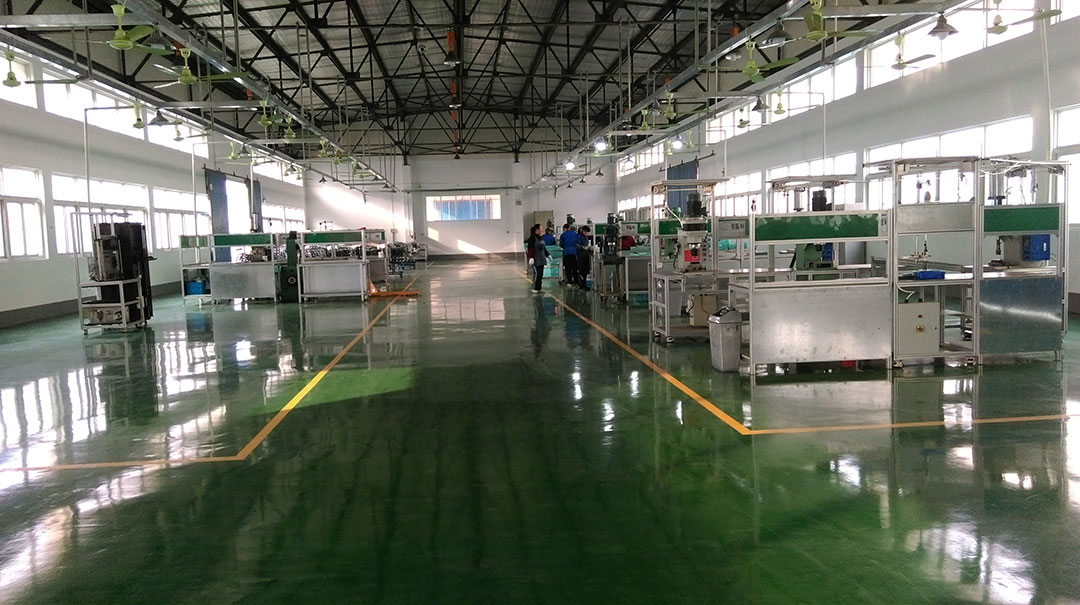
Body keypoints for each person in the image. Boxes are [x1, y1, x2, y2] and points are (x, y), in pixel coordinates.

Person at [525, 224, 549, 293]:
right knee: (537, 273)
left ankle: (539, 287)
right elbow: (530, 249)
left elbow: (543, 248)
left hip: (541, 258)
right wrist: (531, 257)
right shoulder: (532, 239)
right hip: (535, 259)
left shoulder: (541, 238)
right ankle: (534, 287)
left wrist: (548, 255)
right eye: (541, 228)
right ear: (537, 230)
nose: (542, 230)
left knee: (541, 274)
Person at [576, 225, 592, 290]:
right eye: (586, 232)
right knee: (581, 271)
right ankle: (581, 285)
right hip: (581, 256)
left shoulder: (585, 237)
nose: (587, 233)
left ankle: (584, 284)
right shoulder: (579, 237)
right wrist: (582, 247)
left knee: (585, 271)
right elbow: (576, 245)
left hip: (585, 256)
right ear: (583, 231)